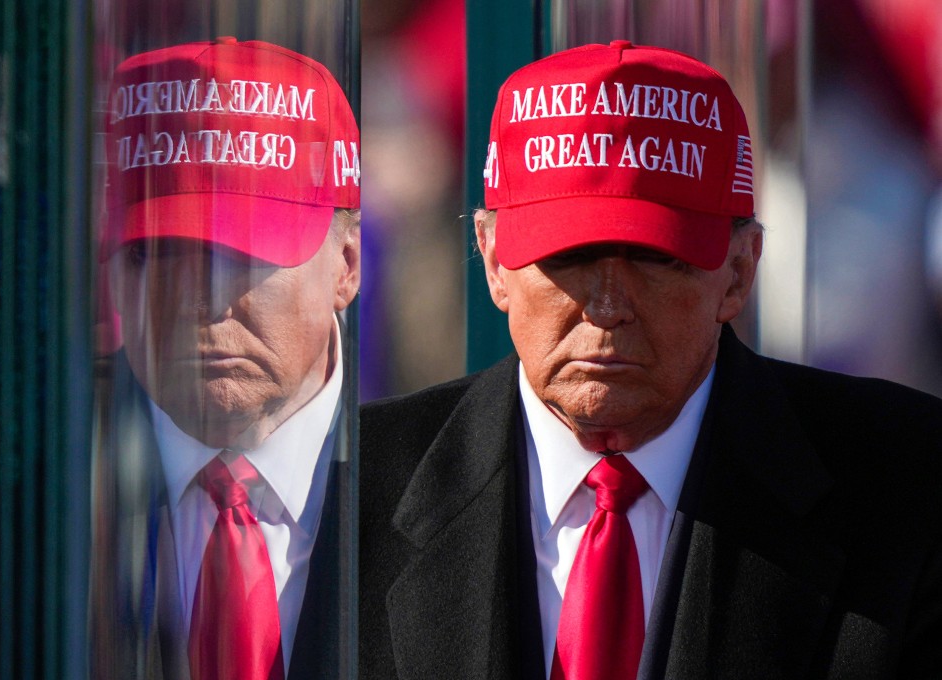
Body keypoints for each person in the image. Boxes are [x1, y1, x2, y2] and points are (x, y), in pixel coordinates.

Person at [360, 41, 942, 679]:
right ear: (495, 262)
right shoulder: (348, 491)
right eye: (567, 257)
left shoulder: (910, 489)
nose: (608, 307)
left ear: (739, 271)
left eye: (656, 258)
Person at [91, 38, 360, 680]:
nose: (202, 301)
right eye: (156, 255)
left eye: (244, 255)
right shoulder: (37, 482)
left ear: (346, 264)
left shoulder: (459, 478)